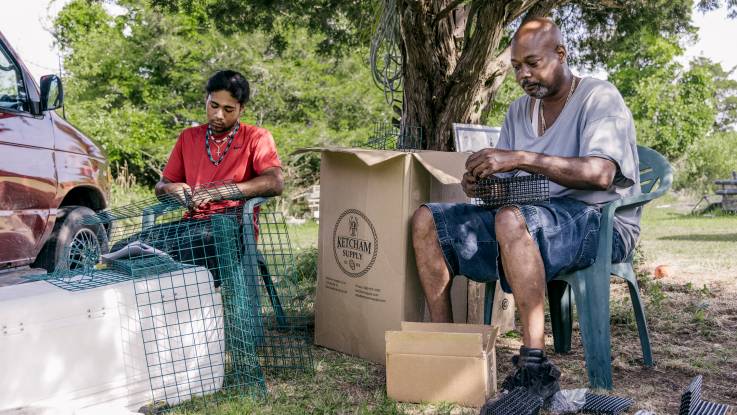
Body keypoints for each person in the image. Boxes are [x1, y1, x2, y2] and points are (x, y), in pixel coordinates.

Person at [411, 17, 640, 403]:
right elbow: (510, 186)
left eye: (532, 63)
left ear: (561, 54)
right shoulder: (519, 111)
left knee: (511, 218)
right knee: (428, 220)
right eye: (517, 66)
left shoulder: (599, 97)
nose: (524, 74)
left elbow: (601, 174)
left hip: (599, 221)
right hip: (530, 219)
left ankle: (534, 366)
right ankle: (446, 348)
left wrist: (520, 156)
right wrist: (481, 184)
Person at [114, 70, 283, 283]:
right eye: (214, 106)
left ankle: (197, 308)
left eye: (228, 109)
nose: (219, 115)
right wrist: (169, 189)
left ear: (241, 109)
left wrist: (221, 192)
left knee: (184, 258)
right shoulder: (188, 137)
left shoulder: (257, 137)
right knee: (122, 250)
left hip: (232, 229)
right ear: (206, 100)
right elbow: (162, 186)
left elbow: (275, 182)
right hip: (190, 226)